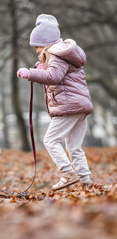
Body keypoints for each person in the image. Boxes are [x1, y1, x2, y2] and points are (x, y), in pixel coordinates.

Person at [17, 14, 94, 190]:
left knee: (51, 140)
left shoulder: (56, 54)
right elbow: (58, 74)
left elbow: (54, 77)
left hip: (68, 106)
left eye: (37, 46)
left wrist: (31, 73)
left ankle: (67, 174)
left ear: (47, 43)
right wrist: (43, 68)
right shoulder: (64, 54)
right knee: (74, 147)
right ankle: (86, 181)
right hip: (79, 106)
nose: (36, 50)